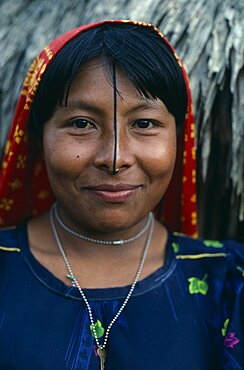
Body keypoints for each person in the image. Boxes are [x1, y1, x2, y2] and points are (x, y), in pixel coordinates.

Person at [0, 20, 243, 370]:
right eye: (82, 123)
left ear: (179, 138)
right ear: (37, 138)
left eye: (144, 124)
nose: (114, 158)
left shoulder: (230, 283)